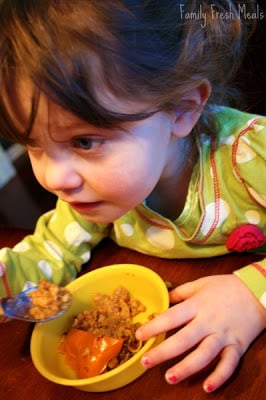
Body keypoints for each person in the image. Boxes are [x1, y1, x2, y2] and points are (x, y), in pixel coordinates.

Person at [0, 0, 265, 393]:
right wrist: (7, 283)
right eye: (33, 145)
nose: (54, 177)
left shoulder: (253, 157)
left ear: (180, 110)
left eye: (84, 141)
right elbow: (49, 258)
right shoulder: (87, 197)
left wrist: (253, 295)